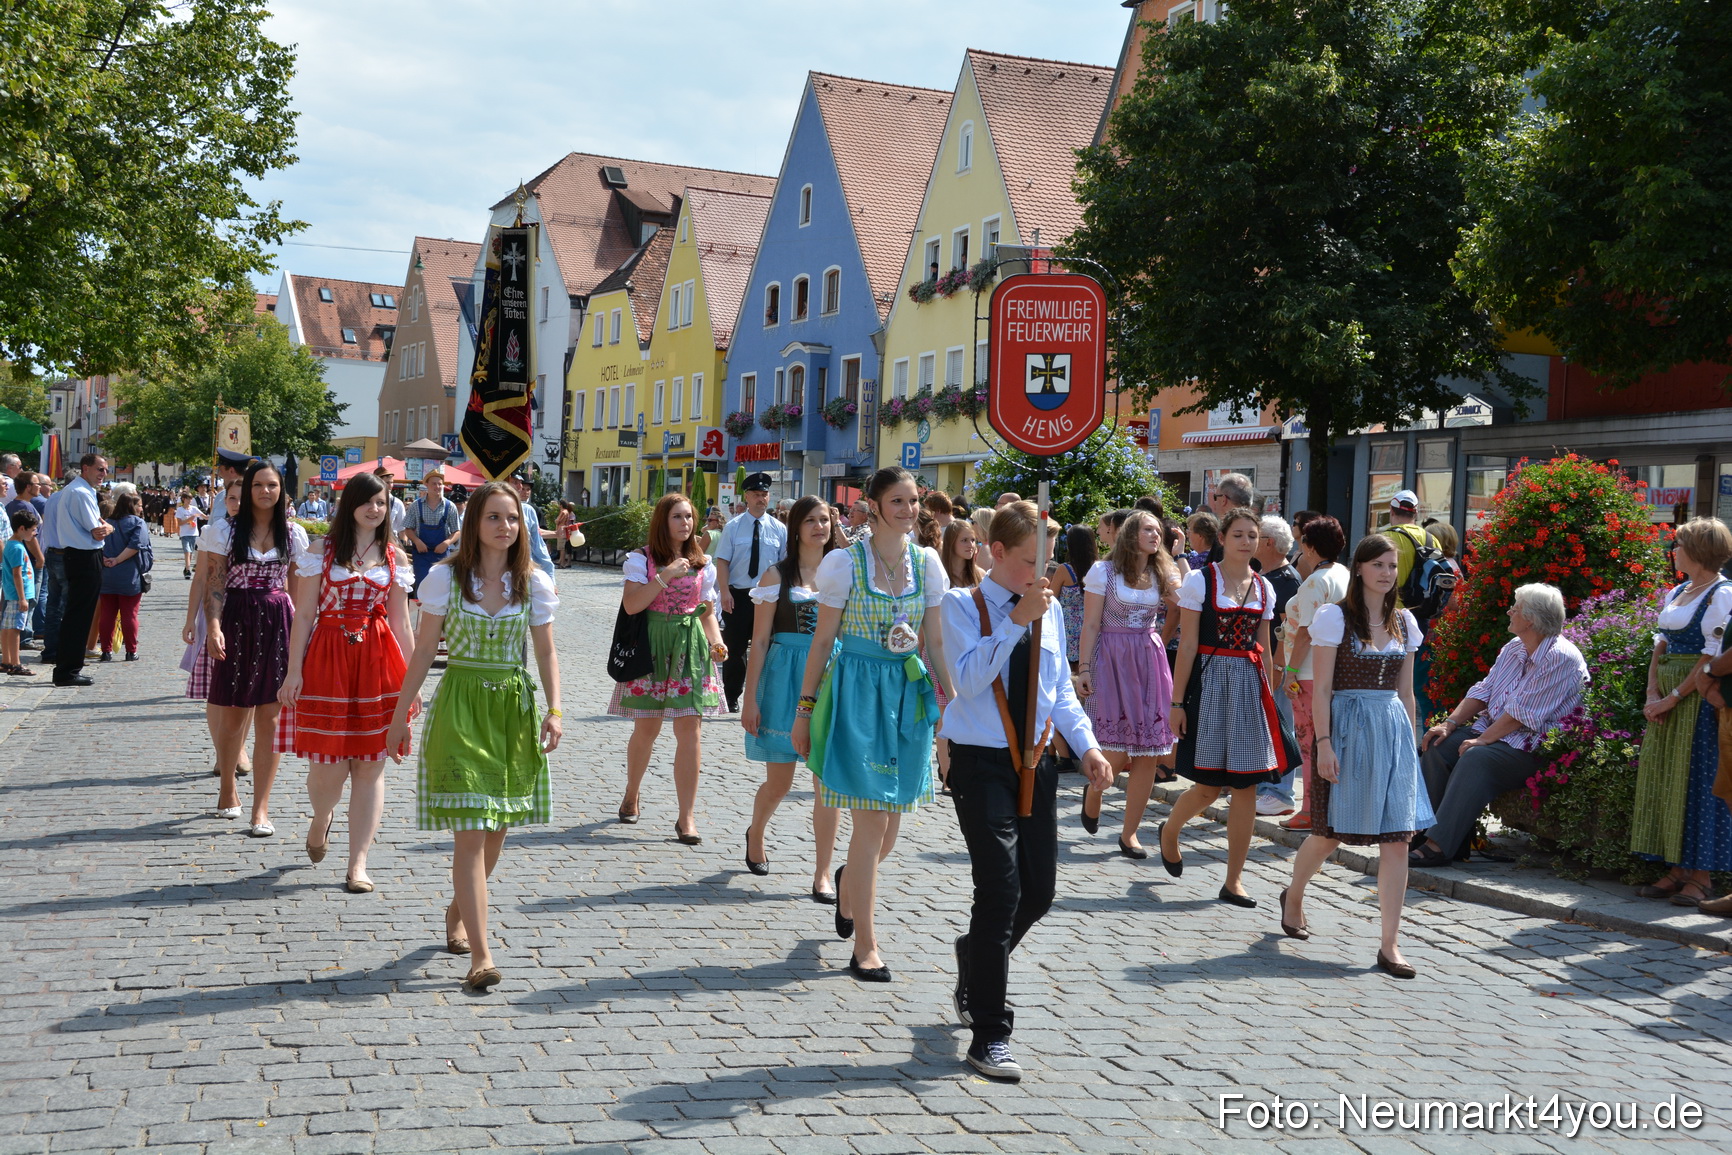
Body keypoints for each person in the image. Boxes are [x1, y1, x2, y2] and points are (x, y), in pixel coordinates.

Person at [942, 500, 1111, 1081]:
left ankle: (977, 957)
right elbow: (965, 683)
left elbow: (1059, 688)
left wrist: (1086, 746)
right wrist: (1015, 622)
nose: (1043, 572)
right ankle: (990, 1031)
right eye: (1027, 560)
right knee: (1001, 888)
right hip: (981, 760)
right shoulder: (961, 604)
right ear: (996, 554)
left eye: (1048, 559)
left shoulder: (1051, 610)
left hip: (1035, 762)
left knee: (1038, 892)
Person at [386, 480, 562, 991]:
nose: (504, 527)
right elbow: (422, 651)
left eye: (512, 518)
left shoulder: (532, 583)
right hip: (460, 703)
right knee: (470, 829)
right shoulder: (444, 580)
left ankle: (459, 909)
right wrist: (401, 714)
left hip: (511, 707)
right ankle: (481, 956)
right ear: (473, 523)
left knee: (495, 831)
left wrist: (555, 710)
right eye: (494, 517)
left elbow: (547, 652)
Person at [792, 465, 954, 983]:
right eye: (899, 501)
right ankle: (866, 944)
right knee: (872, 823)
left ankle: (850, 884)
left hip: (907, 693)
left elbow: (936, 640)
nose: (909, 510)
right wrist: (805, 708)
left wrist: (949, 700)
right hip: (859, 692)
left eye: (914, 501)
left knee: (891, 826)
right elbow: (822, 642)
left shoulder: (928, 564)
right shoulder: (845, 563)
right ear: (876, 505)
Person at [1281, 534, 1431, 978]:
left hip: (1391, 732)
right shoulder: (1334, 618)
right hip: (1347, 728)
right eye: (1378, 564)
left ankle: (1389, 944)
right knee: (1329, 833)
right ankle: (1294, 894)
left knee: (1397, 840)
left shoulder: (1405, 622)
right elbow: (1322, 688)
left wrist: (1412, 744)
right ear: (1360, 568)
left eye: (1392, 565)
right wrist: (1323, 744)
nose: (1387, 573)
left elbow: (1406, 693)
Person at [278, 472, 415, 893]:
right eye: (368, 501)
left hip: (377, 660)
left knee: (372, 765)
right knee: (328, 770)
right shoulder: (320, 552)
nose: (375, 509)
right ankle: (322, 817)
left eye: (382, 502)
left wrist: (414, 682)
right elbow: (303, 615)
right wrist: (293, 670)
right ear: (350, 503)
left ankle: (358, 862)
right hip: (328, 657)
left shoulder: (395, 558)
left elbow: (402, 622)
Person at [1161, 508, 1293, 906]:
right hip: (1211, 681)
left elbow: (1265, 646)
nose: (1246, 541)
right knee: (1208, 787)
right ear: (1222, 537)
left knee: (1247, 786)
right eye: (1238, 534)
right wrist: (1176, 702)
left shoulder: (1264, 587)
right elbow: (1186, 645)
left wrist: (1268, 691)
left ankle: (1234, 879)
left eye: (1253, 535)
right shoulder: (1201, 581)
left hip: (1249, 686)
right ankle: (1170, 830)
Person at [1410, 583, 1587, 867]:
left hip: (1532, 745)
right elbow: (1484, 689)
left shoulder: (1560, 657)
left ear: (1530, 618)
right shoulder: (1514, 647)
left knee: (1476, 758)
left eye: (1515, 608)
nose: (1509, 611)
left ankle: (1439, 845)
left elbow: (1522, 714)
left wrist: (1482, 741)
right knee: (1437, 746)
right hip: (1496, 733)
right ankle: (1423, 833)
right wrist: (1450, 724)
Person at [609, 493, 727, 842]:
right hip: (651, 644)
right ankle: (632, 792)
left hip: (688, 646)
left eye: (689, 517)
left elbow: (706, 610)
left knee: (690, 730)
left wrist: (717, 642)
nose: (686, 523)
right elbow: (632, 606)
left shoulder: (703, 563)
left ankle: (686, 817)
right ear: (663, 521)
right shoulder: (641, 559)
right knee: (647, 729)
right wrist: (664, 575)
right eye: (678, 517)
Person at [1626, 519, 1732, 905]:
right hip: (1667, 692)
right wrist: (1652, 689)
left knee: (1697, 781)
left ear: (1699, 552)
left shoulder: (1722, 594)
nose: (1674, 551)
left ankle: (1701, 876)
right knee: (1667, 779)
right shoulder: (1680, 589)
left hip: (1697, 698)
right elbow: (1661, 643)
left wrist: (1672, 698)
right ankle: (1676, 867)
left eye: (1679, 545)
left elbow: (1711, 653)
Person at [740, 495, 842, 898]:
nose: (820, 527)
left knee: (826, 784)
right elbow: (760, 641)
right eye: (812, 520)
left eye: (825, 519)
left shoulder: (842, 573)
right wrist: (750, 699)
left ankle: (822, 872)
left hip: (830, 677)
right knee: (779, 783)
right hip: (784, 679)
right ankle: (757, 831)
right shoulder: (775, 576)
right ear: (796, 527)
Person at [204, 461, 306, 836]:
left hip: (278, 619)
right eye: (258, 485)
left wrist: (302, 637)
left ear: (282, 491)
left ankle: (261, 808)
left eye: (272, 485)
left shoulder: (293, 534)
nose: (266, 491)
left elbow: (297, 590)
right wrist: (213, 625)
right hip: (236, 617)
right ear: (247, 491)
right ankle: (227, 787)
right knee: (233, 715)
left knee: (272, 718)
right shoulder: (224, 532)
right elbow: (214, 584)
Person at [1075, 510, 1181, 855]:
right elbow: (1090, 624)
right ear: (1132, 534)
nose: (1156, 535)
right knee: (1116, 749)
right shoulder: (1103, 572)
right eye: (1148, 529)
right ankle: (1095, 791)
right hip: (1111, 657)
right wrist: (1086, 668)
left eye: (1158, 531)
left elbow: (1186, 606)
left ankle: (1129, 833)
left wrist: (1161, 639)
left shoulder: (1163, 570)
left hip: (1148, 659)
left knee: (1149, 751)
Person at [1278, 516, 1348, 831]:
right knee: (1328, 741)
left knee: (1310, 743)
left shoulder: (1315, 582)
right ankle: (1328, 809)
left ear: (1309, 546)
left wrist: (1290, 671)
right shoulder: (1344, 575)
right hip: (1335, 669)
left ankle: (1311, 809)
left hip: (1307, 671)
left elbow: (1305, 632)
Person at [714, 473, 787, 712]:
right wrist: (724, 592)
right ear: (746, 496)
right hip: (739, 595)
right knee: (735, 649)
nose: (761, 499)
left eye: (764, 494)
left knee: (768, 647)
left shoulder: (778, 529)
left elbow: (784, 565)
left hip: (768, 597)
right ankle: (732, 696)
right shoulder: (734, 527)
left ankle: (764, 696)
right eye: (756, 494)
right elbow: (723, 561)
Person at [50, 454, 114, 687]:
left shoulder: (79, 490)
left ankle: (68, 667)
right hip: (83, 556)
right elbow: (98, 529)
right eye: (99, 469)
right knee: (79, 615)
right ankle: (68, 670)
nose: (103, 474)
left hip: (81, 555)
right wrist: (110, 526)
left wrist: (106, 527)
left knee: (78, 614)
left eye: (106, 470)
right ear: (85, 468)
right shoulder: (80, 492)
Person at [1255, 516, 1303, 816]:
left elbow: (1287, 633)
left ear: (1269, 543)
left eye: (1256, 537)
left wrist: (1277, 670)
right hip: (1267, 666)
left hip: (1279, 668)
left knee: (1282, 728)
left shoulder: (1286, 581)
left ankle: (1281, 792)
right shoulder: (1270, 576)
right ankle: (1266, 786)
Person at [96, 491, 149, 662]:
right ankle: (131, 651)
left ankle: (106, 650)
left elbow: (96, 543)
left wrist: (106, 559)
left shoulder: (108, 522)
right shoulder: (138, 523)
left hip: (107, 573)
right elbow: (136, 545)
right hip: (129, 574)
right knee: (129, 615)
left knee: (107, 615)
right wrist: (117, 560)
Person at [404, 469, 461, 597]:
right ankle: (420, 613)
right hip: (421, 554)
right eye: (434, 484)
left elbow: (456, 532)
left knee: (442, 587)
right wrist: (417, 541)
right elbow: (407, 529)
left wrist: (446, 543)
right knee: (422, 586)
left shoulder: (450, 506)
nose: (437, 487)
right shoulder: (415, 505)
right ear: (427, 485)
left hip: (441, 555)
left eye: (440, 484)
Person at [1048, 525, 1096, 672]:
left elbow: (1051, 597)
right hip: (1090, 625)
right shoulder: (1098, 568)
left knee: (1068, 672)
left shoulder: (1065, 569)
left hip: (1067, 629)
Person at [1380, 490, 1437, 609]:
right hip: (1423, 611)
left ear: (1391, 511)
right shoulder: (1432, 539)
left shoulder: (1385, 539)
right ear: (1415, 513)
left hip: (1392, 610)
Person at [0, 509, 37, 677]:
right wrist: (23, 598)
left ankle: (7, 661)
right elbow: (17, 573)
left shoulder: (12, 544)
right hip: (17, 595)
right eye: (32, 529)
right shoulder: (17, 548)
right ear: (22, 528)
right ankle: (15, 663)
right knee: (15, 629)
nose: (34, 533)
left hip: (12, 594)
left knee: (7, 627)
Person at [508, 469, 556, 579]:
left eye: (521, 484)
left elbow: (538, 546)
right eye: (515, 482)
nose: (520, 488)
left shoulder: (529, 510)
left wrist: (550, 579)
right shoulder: (483, 507)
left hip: (522, 572)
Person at [940, 521, 985, 590]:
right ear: (951, 542)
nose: (971, 545)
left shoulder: (980, 574)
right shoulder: (940, 575)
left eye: (973, 540)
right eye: (964, 540)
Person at [174, 490, 205, 578]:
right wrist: (189, 519)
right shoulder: (180, 510)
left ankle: (186, 567)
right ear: (183, 499)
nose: (190, 500)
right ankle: (188, 570)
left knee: (190, 552)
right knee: (187, 551)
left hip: (194, 533)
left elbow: (204, 516)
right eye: (188, 499)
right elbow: (179, 523)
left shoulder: (194, 509)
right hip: (184, 534)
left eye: (191, 499)